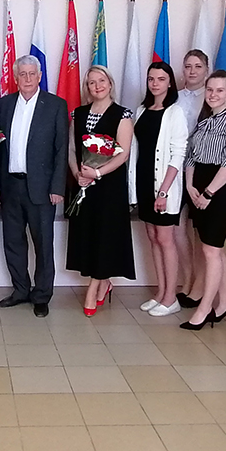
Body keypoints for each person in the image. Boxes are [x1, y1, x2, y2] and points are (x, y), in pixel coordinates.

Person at [0, 55, 68, 318]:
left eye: (31, 73)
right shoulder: (3, 104)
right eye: (22, 74)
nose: (27, 78)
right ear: (15, 77)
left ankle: (42, 295)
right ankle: (20, 290)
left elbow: (61, 149)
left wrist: (57, 187)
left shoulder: (55, 105)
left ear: (39, 76)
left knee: (43, 244)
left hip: (42, 189)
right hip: (10, 186)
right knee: (13, 242)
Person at [66, 65, 135, 317]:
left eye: (102, 81)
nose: (97, 86)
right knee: (89, 235)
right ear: (87, 87)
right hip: (83, 185)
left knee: (105, 236)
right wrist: (78, 174)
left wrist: (96, 173)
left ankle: (93, 289)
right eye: (92, 82)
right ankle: (104, 282)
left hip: (109, 186)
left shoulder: (122, 114)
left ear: (110, 83)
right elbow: (72, 149)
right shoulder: (78, 114)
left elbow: (122, 154)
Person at [181, 70, 226, 331]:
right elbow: (191, 156)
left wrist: (209, 193)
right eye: (210, 90)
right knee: (212, 249)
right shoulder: (203, 121)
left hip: (221, 190)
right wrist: (190, 186)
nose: (213, 95)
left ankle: (205, 307)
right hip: (198, 186)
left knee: (211, 249)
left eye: (219, 90)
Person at [129, 61, 189, 317]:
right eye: (151, 79)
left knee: (166, 240)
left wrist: (163, 191)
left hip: (164, 187)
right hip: (144, 182)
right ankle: (161, 292)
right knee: (153, 238)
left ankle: (171, 297)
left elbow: (178, 154)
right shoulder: (142, 110)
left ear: (170, 82)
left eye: (161, 79)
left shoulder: (175, 112)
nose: (155, 83)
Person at [174, 49, 209, 308]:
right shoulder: (174, 97)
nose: (192, 71)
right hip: (176, 169)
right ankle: (187, 280)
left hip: (202, 171)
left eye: (198, 66)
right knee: (177, 230)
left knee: (201, 233)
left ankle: (200, 285)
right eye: (188, 66)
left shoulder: (212, 96)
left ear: (206, 69)